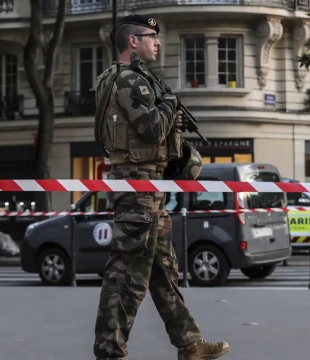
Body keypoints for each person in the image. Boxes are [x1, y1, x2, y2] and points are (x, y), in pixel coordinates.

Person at [91, 14, 230, 360]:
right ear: (132, 42)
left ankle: (190, 344)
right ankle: (109, 351)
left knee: (162, 273)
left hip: (148, 186)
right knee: (127, 275)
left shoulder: (120, 79)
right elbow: (152, 129)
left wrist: (172, 120)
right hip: (138, 187)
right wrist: (170, 105)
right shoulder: (129, 80)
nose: (156, 42)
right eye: (151, 37)